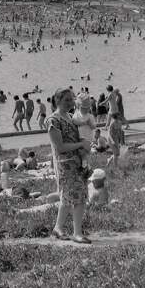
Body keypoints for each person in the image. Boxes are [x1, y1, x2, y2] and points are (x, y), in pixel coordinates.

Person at [47, 88, 90, 244]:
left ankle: (58, 228)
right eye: (66, 100)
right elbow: (60, 147)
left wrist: (85, 149)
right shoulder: (53, 120)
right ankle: (77, 233)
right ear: (57, 101)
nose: (70, 103)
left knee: (67, 197)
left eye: (71, 99)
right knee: (78, 198)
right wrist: (81, 144)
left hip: (77, 162)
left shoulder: (71, 117)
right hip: (65, 164)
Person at [71, 94, 96, 173]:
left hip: (88, 137)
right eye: (84, 108)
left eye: (88, 108)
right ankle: (84, 166)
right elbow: (74, 121)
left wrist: (90, 124)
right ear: (78, 106)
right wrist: (84, 122)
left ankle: (85, 166)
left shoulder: (90, 116)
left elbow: (94, 127)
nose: (86, 109)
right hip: (80, 136)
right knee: (82, 152)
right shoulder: (77, 114)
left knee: (85, 151)